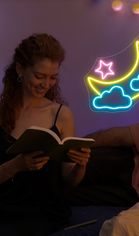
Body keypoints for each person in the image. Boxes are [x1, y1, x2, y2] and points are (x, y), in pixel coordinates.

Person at [0, 33, 90, 235]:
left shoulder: (61, 115)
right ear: (20, 69)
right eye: (39, 76)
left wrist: (80, 165)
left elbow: (70, 180)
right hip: (5, 210)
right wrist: (16, 166)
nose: (46, 84)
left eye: (53, 77)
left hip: (45, 213)